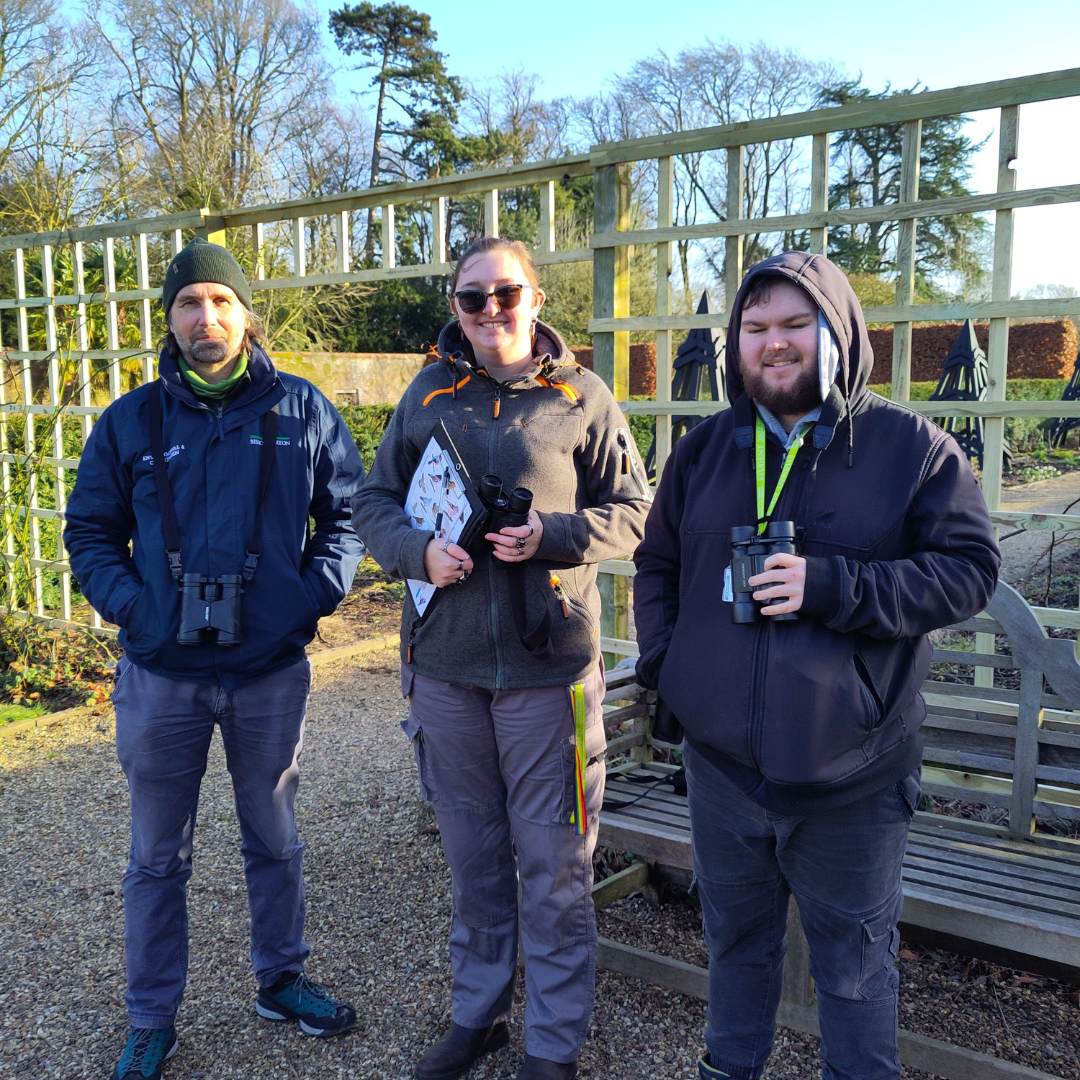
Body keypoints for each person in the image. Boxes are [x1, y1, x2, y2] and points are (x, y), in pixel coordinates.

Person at [632, 251, 999, 1080]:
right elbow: (657, 564)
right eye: (755, 327)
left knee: (856, 970)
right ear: (735, 343)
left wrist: (835, 585)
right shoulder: (703, 452)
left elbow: (970, 570)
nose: (775, 342)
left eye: (797, 323)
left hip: (852, 778)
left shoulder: (912, 449)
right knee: (735, 945)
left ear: (839, 331)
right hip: (723, 775)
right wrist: (667, 663)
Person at [63, 238, 366, 1080]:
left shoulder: (303, 410)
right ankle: (151, 1017)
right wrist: (137, 609)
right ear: (169, 318)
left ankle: (281, 979)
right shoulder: (130, 421)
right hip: (161, 675)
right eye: (190, 302)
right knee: (157, 855)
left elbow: (346, 516)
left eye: (221, 301)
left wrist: (307, 598)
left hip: (269, 670)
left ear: (246, 314)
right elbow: (89, 531)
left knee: (275, 835)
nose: (207, 317)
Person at [353, 236, 651, 1080]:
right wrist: (416, 552)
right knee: (474, 857)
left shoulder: (582, 398)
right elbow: (373, 500)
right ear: (455, 306)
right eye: (472, 297)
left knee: (554, 867)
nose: (491, 310)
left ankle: (552, 1044)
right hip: (445, 670)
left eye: (506, 293)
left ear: (535, 298)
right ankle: (478, 1014)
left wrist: (551, 534)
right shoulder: (427, 394)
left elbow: (635, 512)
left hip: (548, 672)